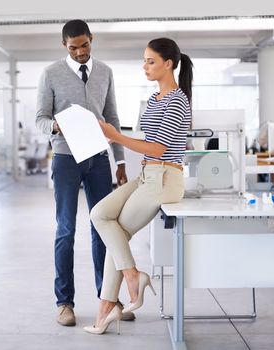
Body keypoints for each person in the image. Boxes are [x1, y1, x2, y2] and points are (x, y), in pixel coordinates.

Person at [84, 37, 193, 334]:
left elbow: (158, 148)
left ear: (168, 63)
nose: (144, 66)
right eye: (144, 60)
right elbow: (148, 146)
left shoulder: (178, 100)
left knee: (115, 231)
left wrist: (115, 136)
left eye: (150, 61)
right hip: (147, 175)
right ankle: (132, 277)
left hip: (164, 179)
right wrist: (112, 135)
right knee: (101, 216)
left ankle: (108, 307)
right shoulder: (156, 99)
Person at [35, 19, 131, 327]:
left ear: (92, 39)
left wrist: (120, 161)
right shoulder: (50, 73)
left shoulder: (105, 72)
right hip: (65, 158)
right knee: (66, 229)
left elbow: (112, 116)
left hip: (99, 158)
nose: (80, 52)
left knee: (103, 227)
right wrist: (54, 126)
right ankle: (65, 303)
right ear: (64, 45)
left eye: (85, 45)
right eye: (73, 47)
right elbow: (40, 117)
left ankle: (109, 299)